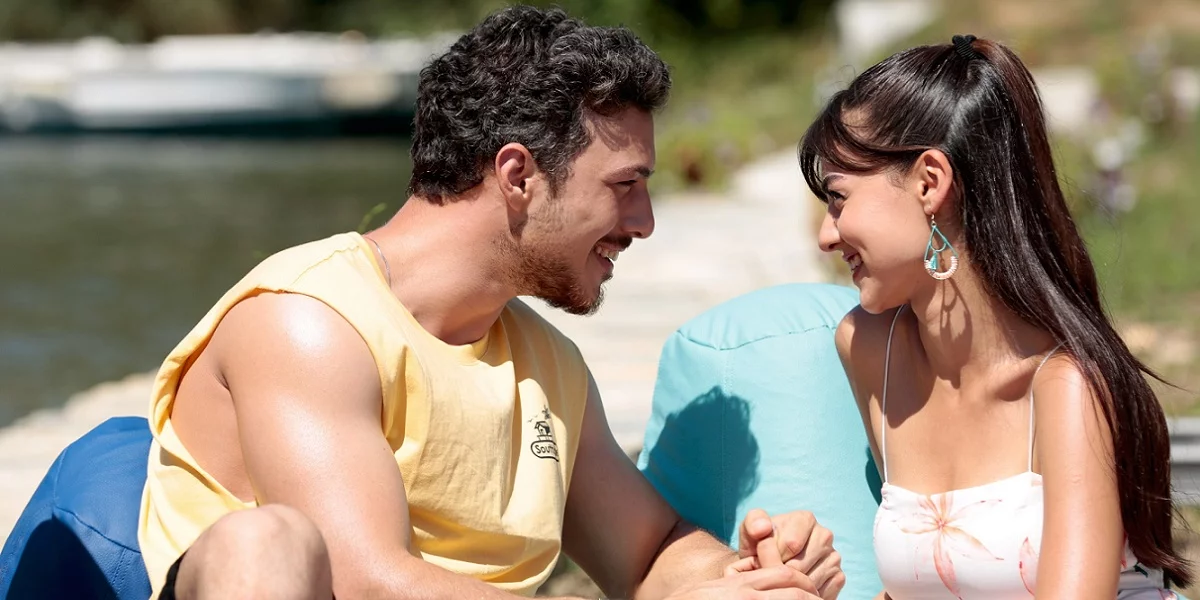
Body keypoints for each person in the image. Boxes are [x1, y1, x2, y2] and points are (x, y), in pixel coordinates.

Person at [136, 6, 845, 600]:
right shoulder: (309, 321)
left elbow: (649, 554)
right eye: (625, 185)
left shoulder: (547, 364)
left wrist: (748, 578)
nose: (644, 222)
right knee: (263, 542)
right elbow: (365, 582)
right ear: (517, 175)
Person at [800, 34, 1191, 599]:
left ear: (929, 183)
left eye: (838, 199)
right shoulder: (869, 350)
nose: (826, 235)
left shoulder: (1066, 388)